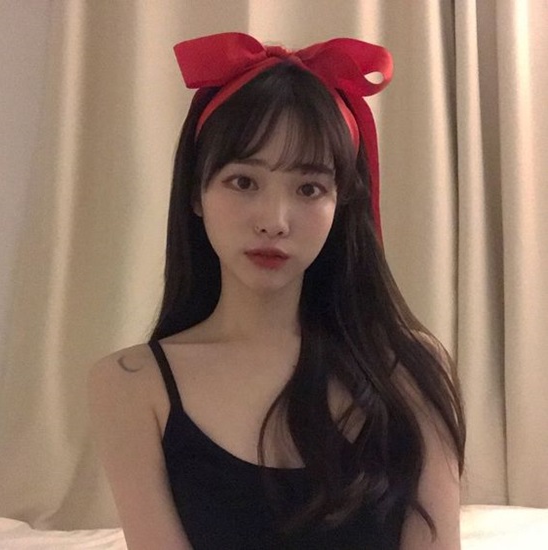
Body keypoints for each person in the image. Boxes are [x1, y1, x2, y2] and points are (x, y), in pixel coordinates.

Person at [88, 33, 466, 550]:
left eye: (309, 188)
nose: (274, 221)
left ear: (340, 205)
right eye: (243, 182)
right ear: (196, 193)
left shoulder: (411, 368)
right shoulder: (131, 386)